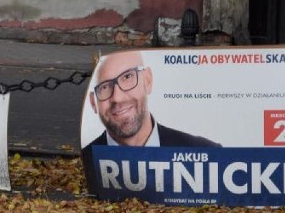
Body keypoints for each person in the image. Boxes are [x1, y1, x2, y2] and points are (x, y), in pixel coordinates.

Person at [83, 50, 220, 149]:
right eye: (104, 87)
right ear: (93, 103)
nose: (117, 98)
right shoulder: (85, 163)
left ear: (147, 81)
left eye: (128, 77)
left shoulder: (208, 152)